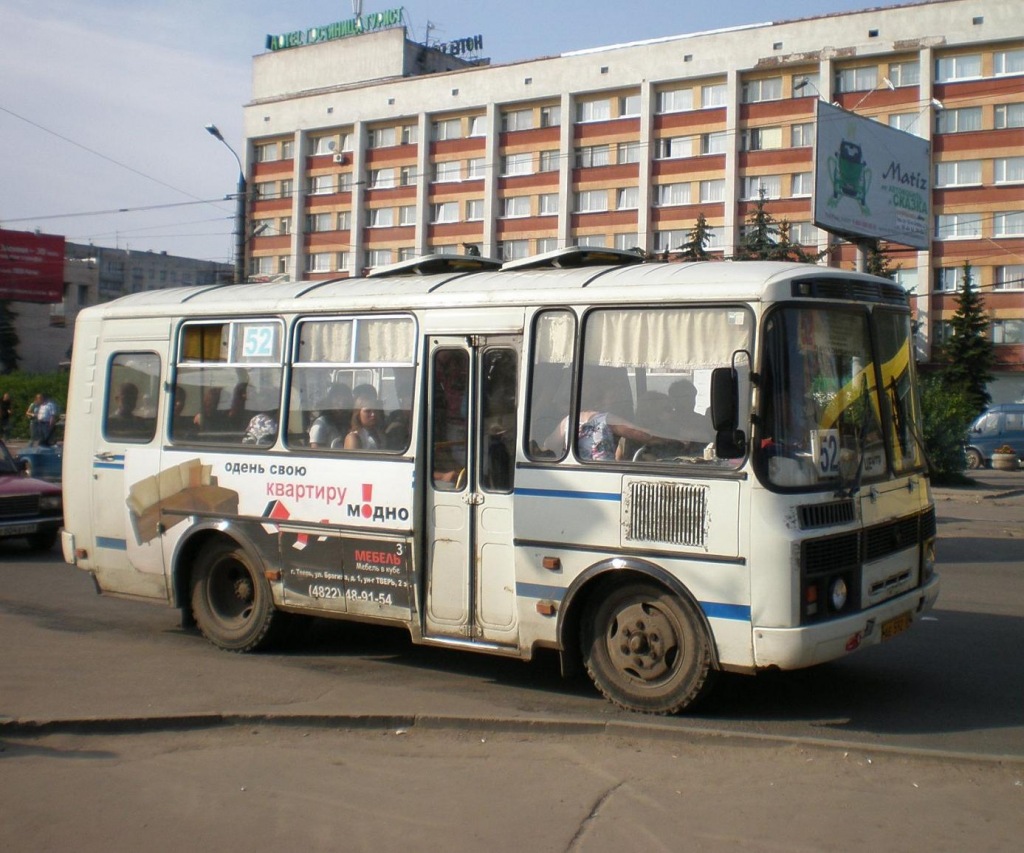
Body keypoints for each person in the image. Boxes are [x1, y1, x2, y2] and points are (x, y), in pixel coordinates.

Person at [668, 378, 714, 449]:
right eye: (685, 397)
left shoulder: (703, 420)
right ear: (673, 399)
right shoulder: (667, 422)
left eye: (692, 397)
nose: (690, 401)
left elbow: (710, 440)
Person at [308, 384, 353, 449]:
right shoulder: (321, 424)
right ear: (330, 401)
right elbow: (317, 453)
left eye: (345, 400)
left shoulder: (349, 423)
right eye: (337, 399)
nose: (341, 403)